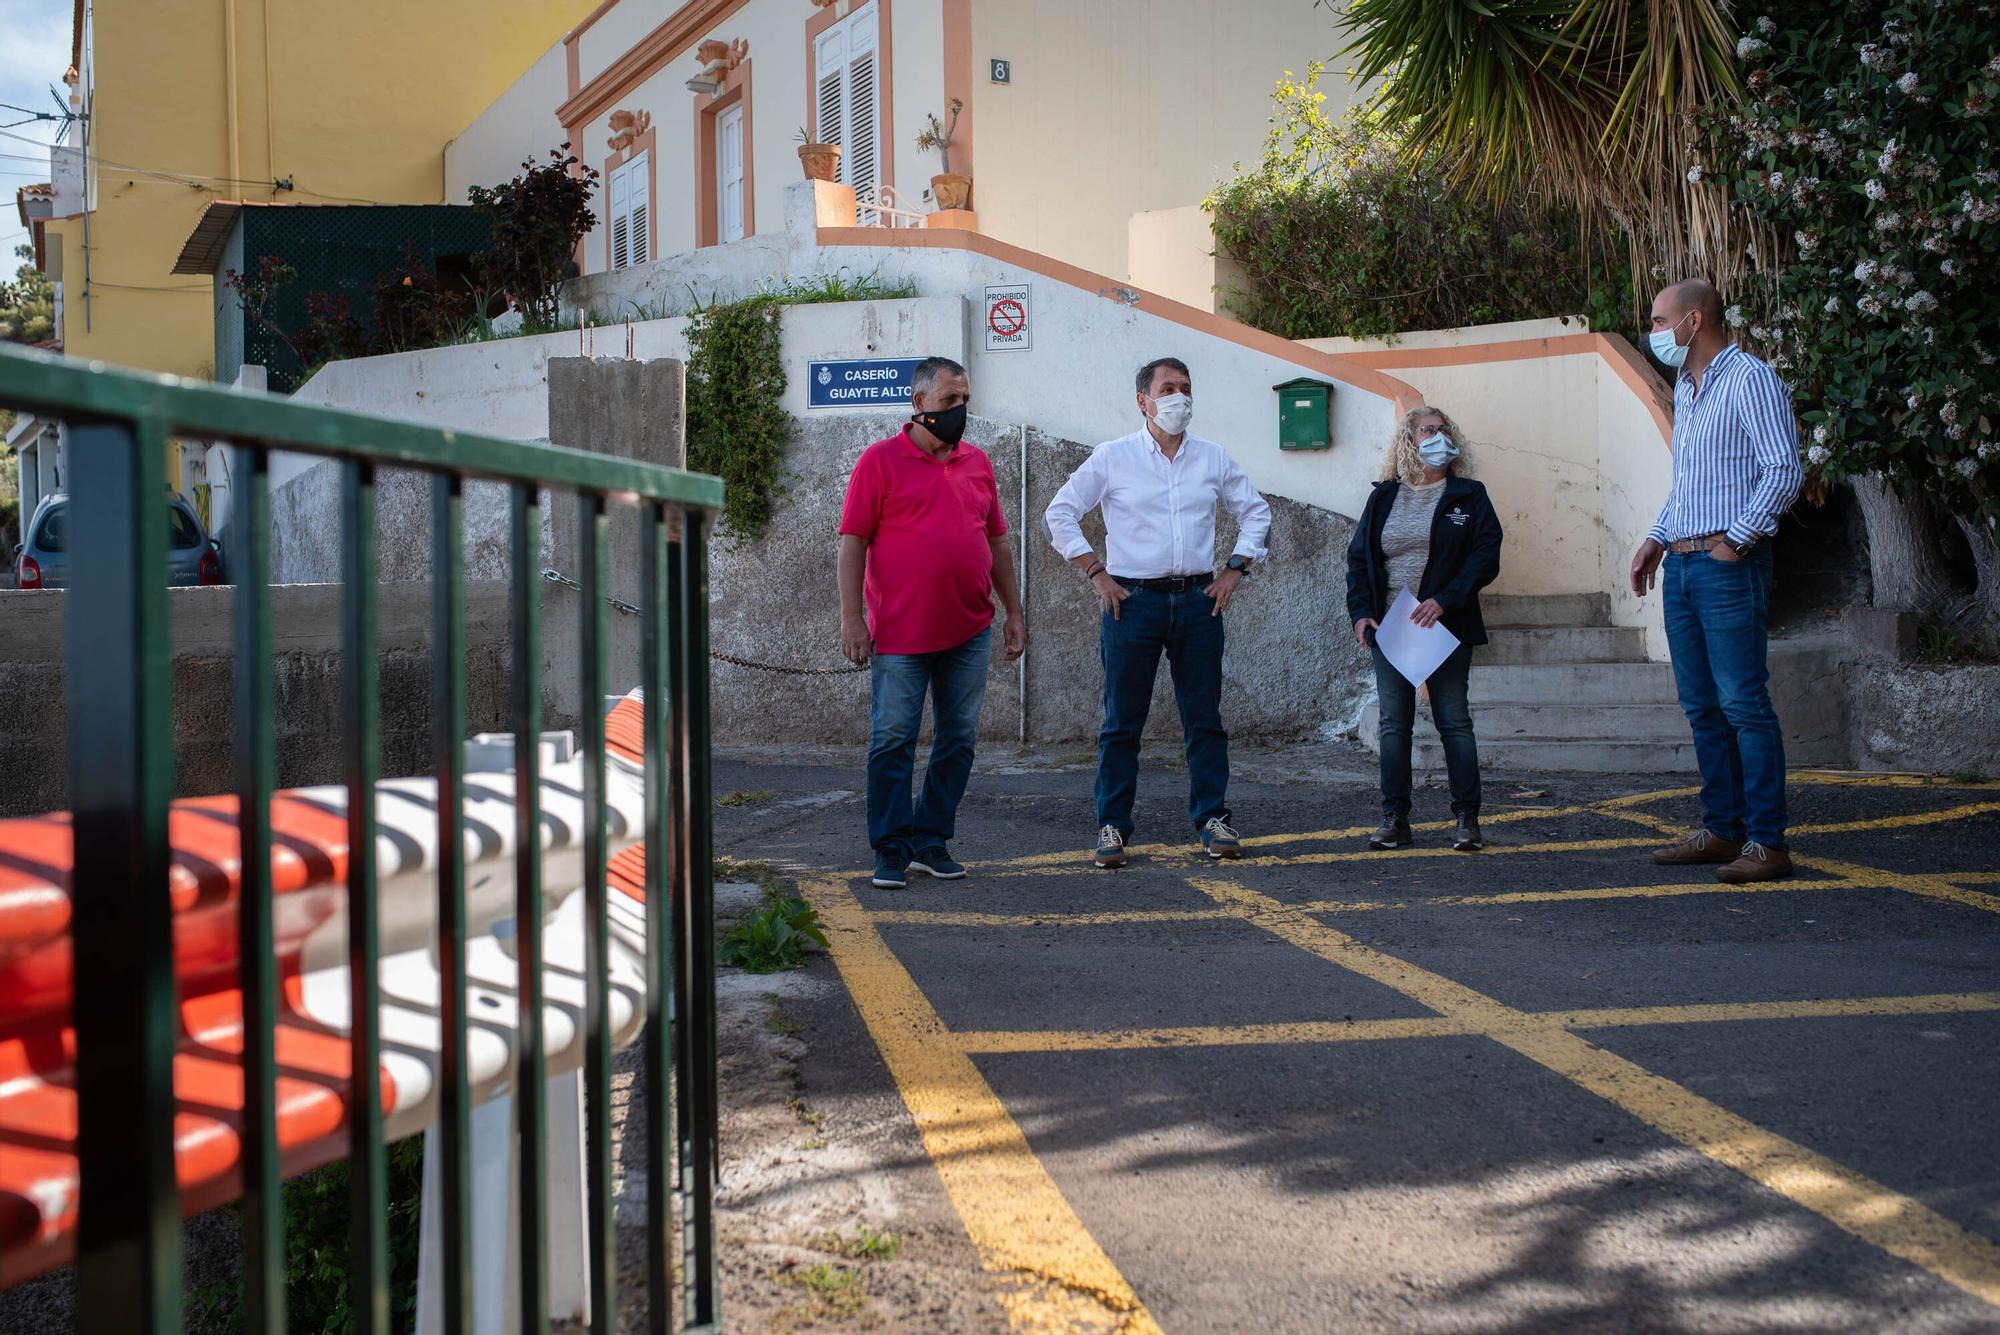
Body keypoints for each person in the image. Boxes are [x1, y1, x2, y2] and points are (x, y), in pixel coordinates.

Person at [1044, 357, 1273, 868]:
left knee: (1205, 720)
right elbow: (1058, 513)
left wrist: (1236, 568)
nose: (1179, 398)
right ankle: (1112, 827)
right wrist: (1095, 573)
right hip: (1132, 603)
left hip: (1198, 602)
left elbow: (1255, 512)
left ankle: (1212, 820)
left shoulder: (1212, 458)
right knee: (1122, 723)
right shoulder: (1113, 457)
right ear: (1142, 401)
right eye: (1167, 388)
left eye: (1186, 388)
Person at [1629, 278, 1804, 884]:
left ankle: (1767, 842)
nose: (1653, 332)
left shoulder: (1748, 378)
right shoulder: (1690, 386)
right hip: (1681, 564)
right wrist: (1656, 539)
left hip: (1728, 565)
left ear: (1694, 321)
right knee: (1702, 706)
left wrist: (1737, 541)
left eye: (1658, 320)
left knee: (1742, 703)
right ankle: (1722, 828)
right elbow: (1688, 487)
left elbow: (1784, 468)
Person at [838, 356, 1026, 889]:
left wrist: (1013, 611)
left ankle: (930, 839)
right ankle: (890, 848)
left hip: (969, 631)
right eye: (949, 401)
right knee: (893, 740)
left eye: (964, 400)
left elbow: (996, 543)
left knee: (958, 739)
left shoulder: (977, 463)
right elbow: (852, 542)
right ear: (920, 403)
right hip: (900, 635)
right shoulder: (879, 461)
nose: (959, 410)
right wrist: (853, 618)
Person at [1346, 406, 1502, 852]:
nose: (1436, 436)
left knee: (1454, 721)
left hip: (1446, 627)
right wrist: (1362, 613)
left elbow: (1485, 557)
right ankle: (1395, 819)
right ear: (1409, 442)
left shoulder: (1469, 496)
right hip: (1393, 628)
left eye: (1442, 429)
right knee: (1395, 724)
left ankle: (1467, 820)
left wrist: (1445, 601)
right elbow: (1359, 561)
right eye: (1426, 431)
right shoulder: (1384, 498)